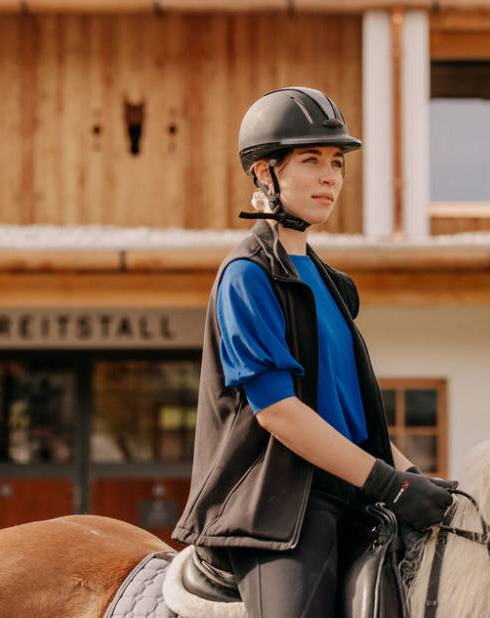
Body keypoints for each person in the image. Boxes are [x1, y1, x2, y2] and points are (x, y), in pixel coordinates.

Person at [172, 86, 455, 618]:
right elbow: (279, 411)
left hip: (352, 489)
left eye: (336, 163)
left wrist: (414, 476)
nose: (330, 177)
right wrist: (389, 484)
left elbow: (351, 420)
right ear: (264, 173)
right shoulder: (247, 276)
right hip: (276, 509)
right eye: (311, 160)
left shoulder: (331, 284)